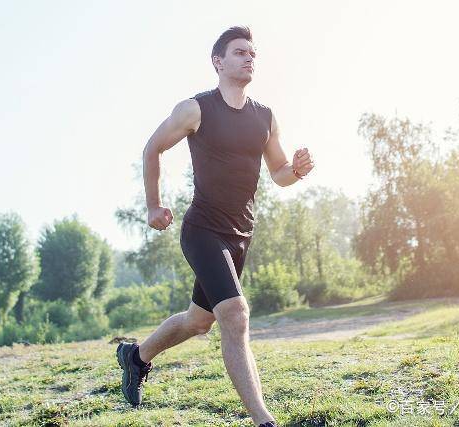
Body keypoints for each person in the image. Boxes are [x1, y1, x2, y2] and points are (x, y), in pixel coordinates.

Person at [116, 25, 315, 427]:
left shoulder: (265, 117)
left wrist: (296, 171)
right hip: (203, 230)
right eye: (240, 52)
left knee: (199, 321)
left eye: (252, 53)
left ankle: (135, 357)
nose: (249, 58)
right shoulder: (196, 109)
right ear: (218, 61)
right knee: (236, 315)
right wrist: (153, 205)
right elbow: (152, 148)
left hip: (240, 234)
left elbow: (277, 172)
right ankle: (263, 420)